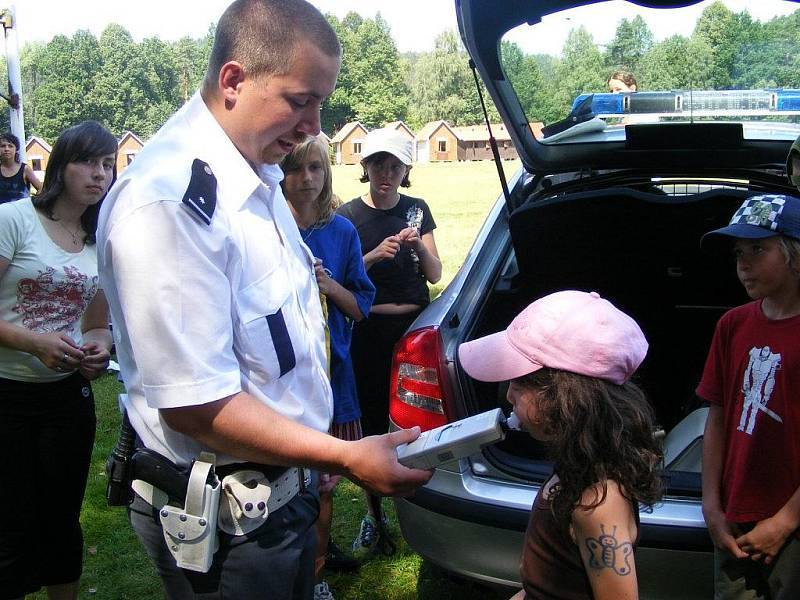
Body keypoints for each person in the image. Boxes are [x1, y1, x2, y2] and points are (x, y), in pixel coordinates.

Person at [96, 2, 431, 599]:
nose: (313, 124)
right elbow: (196, 406)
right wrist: (346, 455)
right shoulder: (172, 204)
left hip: (279, 501)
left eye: (320, 103)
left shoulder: (257, 175)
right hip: (230, 524)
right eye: (300, 100)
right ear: (233, 80)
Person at [457, 290, 663, 600]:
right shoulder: (574, 469)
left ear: (566, 399)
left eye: (518, 383)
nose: (509, 396)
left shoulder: (598, 503)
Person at [0, 120, 116, 600]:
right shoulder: (14, 220)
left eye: (108, 165)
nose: (100, 175)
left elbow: (97, 323)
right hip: (7, 394)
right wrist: (34, 343)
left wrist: (98, 349)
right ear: (60, 166)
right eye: (88, 162)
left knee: (62, 518)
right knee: (9, 520)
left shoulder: (99, 241)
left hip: (68, 399)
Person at [338, 127, 442, 560]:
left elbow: (435, 275)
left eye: (395, 165)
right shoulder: (346, 217)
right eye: (378, 163)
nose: (386, 173)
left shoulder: (417, 211)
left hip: (412, 330)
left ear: (406, 171)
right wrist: (372, 257)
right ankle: (374, 515)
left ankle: (422, 512)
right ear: (365, 167)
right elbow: (339, 284)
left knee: (415, 422)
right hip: (368, 333)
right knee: (373, 424)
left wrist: (418, 248)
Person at [280, 135, 375, 597]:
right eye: (296, 168)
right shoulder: (265, 226)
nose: (306, 179)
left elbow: (360, 307)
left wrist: (325, 282)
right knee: (279, 485)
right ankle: (285, 570)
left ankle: (314, 577)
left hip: (331, 382)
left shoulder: (341, 233)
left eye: (316, 168)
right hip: (277, 385)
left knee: (321, 488)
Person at [698, 193, 800, 599]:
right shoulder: (732, 325)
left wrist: (785, 521)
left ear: (794, 252)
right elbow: (718, 417)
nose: (743, 263)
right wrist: (711, 507)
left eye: (758, 248)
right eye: (738, 251)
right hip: (735, 519)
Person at [0, 132, 43, 203]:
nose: (6, 149)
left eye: (10, 146)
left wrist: (33, 203)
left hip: (21, 213)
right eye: (3, 146)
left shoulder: (25, 169)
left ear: (16, 149)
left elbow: (41, 188)